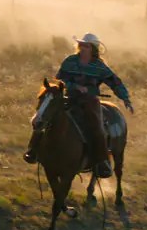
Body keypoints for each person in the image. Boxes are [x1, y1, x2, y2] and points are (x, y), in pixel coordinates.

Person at [48, 33, 133, 177]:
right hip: (70, 97)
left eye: (86, 46)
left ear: (93, 48)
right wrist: (74, 86)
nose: (83, 48)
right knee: (46, 116)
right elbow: (60, 78)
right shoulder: (70, 61)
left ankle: (101, 162)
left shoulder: (99, 66)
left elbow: (115, 82)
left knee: (96, 126)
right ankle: (36, 151)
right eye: (81, 45)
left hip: (89, 101)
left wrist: (125, 98)